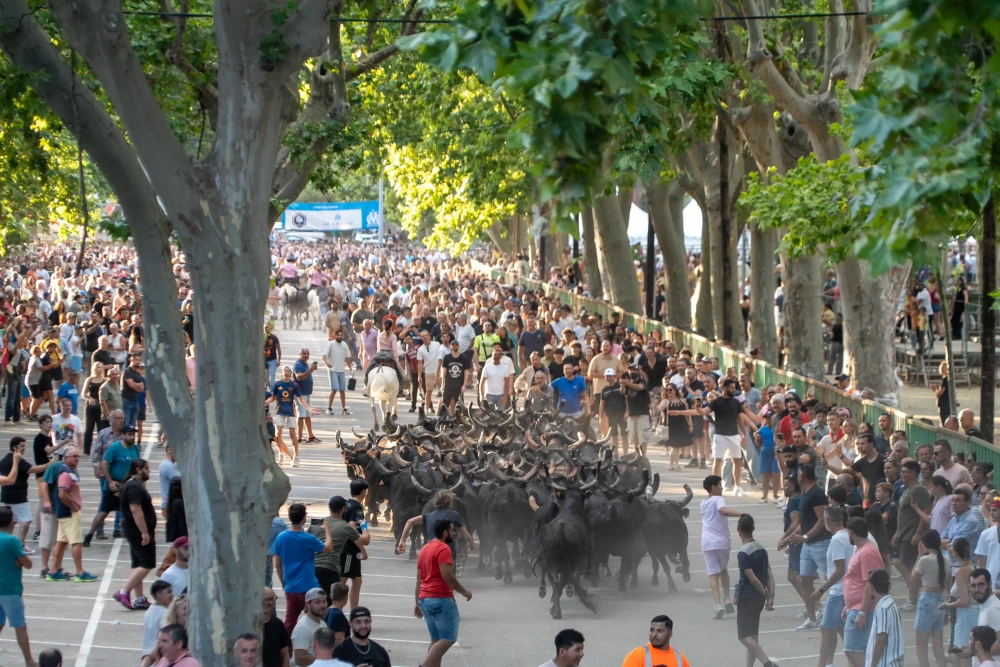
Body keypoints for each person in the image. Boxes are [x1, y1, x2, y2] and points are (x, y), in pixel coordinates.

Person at [670, 377, 750, 497]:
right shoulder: (716, 402)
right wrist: (697, 407)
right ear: (724, 388)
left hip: (734, 435)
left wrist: (743, 434)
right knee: (718, 460)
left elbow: (740, 419)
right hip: (720, 435)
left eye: (734, 388)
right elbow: (704, 411)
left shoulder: (735, 402)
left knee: (737, 461)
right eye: (731, 387)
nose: (733, 390)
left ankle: (737, 487)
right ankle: (715, 487)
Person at [414, 520, 472, 667]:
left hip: (425, 600)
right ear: (445, 533)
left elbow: (419, 579)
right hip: (440, 599)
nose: (454, 533)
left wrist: (417, 603)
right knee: (448, 638)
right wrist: (464, 592)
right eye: (452, 530)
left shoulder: (425, 548)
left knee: (436, 640)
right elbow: (447, 575)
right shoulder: (443, 548)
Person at [273, 502, 333, 633]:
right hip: (309, 586)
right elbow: (328, 547)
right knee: (317, 618)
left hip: (291, 586)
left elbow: (277, 564)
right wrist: (327, 530)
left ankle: (286, 644)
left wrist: (283, 582)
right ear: (304, 518)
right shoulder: (308, 539)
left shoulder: (281, 537)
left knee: (290, 620)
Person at [84, 422, 139, 547]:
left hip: (128, 486)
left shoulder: (135, 449)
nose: (132, 437)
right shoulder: (115, 447)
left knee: (133, 511)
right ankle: (90, 535)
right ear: (123, 435)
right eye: (129, 434)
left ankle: (133, 535)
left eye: (133, 435)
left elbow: (137, 467)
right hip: (115, 486)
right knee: (104, 512)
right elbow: (104, 463)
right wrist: (110, 481)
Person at [790, 464, 830, 630]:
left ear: (802, 476)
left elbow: (822, 519)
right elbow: (805, 522)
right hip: (807, 544)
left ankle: (839, 613)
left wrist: (806, 536)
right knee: (804, 579)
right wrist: (789, 537)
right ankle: (812, 618)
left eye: (798, 474)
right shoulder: (805, 493)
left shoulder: (817, 494)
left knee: (831, 579)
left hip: (821, 543)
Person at [842, 517, 887, 667]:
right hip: (856, 606)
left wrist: (862, 612)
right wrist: (849, 605)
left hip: (864, 609)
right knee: (858, 650)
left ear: (851, 533)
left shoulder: (867, 552)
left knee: (852, 649)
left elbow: (871, 585)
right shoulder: (863, 550)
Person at [113, 458, 157, 610]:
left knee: (138, 563)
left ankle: (139, 598)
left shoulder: (134, 485)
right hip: (137, 530)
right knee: (147, 563)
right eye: (147, 468)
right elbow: (135, 510)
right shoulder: (134, 487)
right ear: (138, 470)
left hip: (133, 530)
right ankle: (124, 592)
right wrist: (144, 533)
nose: (149, 471)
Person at [46, 447, 95, 582]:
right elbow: (62, 494)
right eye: (74, 456)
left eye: (78, 456)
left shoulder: (69, 471)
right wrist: (73, 507)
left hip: (64, 512)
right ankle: (80, 572)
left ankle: (53, 571)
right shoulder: (66, 473)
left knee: (61, 541)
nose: (77, 459)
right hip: (69, 512)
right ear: (66, 458)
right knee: (76, 541)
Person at [734, 514, 776, 667]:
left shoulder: (743, 553)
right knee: (753, 636)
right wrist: (770, 596)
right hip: (758, 599)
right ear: (753, 528)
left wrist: (765, 594)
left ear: (738, 529)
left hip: (747, 596)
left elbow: (752, 578)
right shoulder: (761, 549)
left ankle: (768, 663)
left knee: (744, 636)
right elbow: (769, 574)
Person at [814, 506, 854, 667]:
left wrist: (822, 589)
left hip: (838, 591)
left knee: (826, 628)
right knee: (841, 628)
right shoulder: (849, 535)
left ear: (828, 520)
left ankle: (822, 664)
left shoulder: (837, 540)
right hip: (849, 588)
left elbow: (839, 570)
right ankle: (843, 662)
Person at [0, 505, 38, 667]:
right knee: (19, 626)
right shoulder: (12, 541)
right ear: (12, 522)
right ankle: (29, 660)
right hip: (10, 590)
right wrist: (19, 561)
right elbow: (28, 564)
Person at [700, 475, 742, 619]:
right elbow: (723, 511)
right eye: (720, 485)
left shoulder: (703, 503)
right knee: (723, 570)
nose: (722, 487)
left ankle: (718, 604)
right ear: (714, 487)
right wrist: (742, 514)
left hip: (707, 542)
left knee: (713, 573)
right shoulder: (718, 499)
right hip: (722, 541)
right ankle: (727, 598)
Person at [314, 496, 367, 607]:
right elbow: (365, 540)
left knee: (315, 599)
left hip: (314, 567)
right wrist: (364, 527)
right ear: (343, 509)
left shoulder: (317, 523)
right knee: (333, 599)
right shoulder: (345, 525)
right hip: (332, 567)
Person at [0, 437, 50, 551]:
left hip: (6, 495)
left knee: (11, 521)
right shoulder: (17, 461)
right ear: (14, 447)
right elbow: (32, 469)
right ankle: (21, 545)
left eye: (24, 446)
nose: (24, 448)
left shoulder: (4, 460)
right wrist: (48, 465)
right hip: (18, 496)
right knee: (26, 519)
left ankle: (5, 543)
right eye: (22, 446)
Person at [913, 530, 950, 667]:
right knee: (938, 647)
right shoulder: (946, 560)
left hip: (927, 599)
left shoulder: (925, 560)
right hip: (941, 599)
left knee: (921, 647)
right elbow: (948, 585)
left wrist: (919, 554)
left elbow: (913, 577)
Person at [865, 569, 904, 667]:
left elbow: (881, 639)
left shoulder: (883, 608)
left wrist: (873, 665)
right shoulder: (891, 604)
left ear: (871, 586)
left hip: (884, 663)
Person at [340, 480, 369, 612]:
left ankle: (354, 611)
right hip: (349, 550)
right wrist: (363, 550)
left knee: (357, 581)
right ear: (363, 491)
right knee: (342, 581)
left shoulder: (347, 504)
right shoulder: (357, 508)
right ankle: (336, 608)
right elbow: (352, 529)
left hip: (346, 547)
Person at [620, 615, 690, 667]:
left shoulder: (680, 660)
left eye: (660, 631)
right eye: (652, 630)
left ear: (670, 634)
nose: (654, 635)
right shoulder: (636, 656)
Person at [291, 587, 328, 667]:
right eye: (317, 602)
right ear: (307, 604)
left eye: (324, 601)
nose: (322, 605)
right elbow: (299, 658)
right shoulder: (303, 628)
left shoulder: (322, 624)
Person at [141, 581, 174, 667]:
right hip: (157, 658)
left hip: (148, 657)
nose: (172, 595)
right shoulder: (165, 613)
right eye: (169, 592)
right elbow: (164, 638)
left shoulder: (150, 610)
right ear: (158, 595)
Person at [293, 348, 321, 445]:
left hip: (306, 392)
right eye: (304, 354)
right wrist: (310, 371)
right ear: (300, 354)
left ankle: (310, 436)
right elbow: (299, 377)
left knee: (307, 415)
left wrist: (310, 370)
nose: (306, 355)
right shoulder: (298, 364)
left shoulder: (305, 364)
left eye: (307, 354)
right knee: (301, 415)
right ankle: (299, 437)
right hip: (300, 394)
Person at [322, 329, 353, 416]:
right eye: (338, 335)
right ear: (335, 336)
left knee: (342, 390)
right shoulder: (330, 344)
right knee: (334, 389)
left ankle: (343, 408)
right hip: (333, 370)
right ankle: (329, 408)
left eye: (341, 335)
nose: (339, 337)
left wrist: (350, 368)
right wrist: (327, 363)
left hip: (341, 370)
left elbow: (347, 358)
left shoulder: (344, 345)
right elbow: (324, 356)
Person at [262, 587, 291, 667]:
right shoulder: (250, 626)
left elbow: (285, 654)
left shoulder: (278, 624)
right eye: (264, 600)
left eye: (270, 599)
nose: (267, 603)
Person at [478, 343, 512, 408]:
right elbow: (482, 382)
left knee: (500, 413)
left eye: (498, 355)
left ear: (500, 356)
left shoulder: (505, 367)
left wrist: (505, 396)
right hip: (489, 394)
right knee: (489, 413)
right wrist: (481, 395)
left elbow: (507, 383)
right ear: (492, 355)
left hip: (501, 395)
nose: (496, 356)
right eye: (495, 354)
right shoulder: (487, 367)